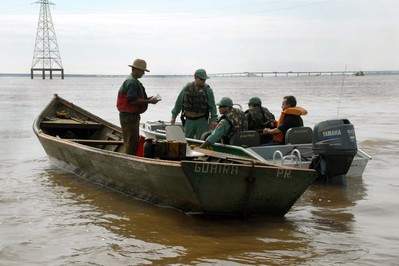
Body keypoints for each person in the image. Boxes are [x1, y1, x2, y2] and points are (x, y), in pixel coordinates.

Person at [116, 59, 160, 155]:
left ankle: (128, 157)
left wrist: (148, 99)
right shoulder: (132, 82)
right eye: (142, 71)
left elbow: (133, 98)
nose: (143, 73)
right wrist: (149, 101)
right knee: (131, 142)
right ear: (134, 69)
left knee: (130, 141)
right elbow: (132, 100)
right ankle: (129, 161)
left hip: (128, 116)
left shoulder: (132, 80)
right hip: (129, 117)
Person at [171, 69, 218, 139]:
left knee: (201, 140)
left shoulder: (208, 90)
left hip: (202, 121)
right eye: (201, 79)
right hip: (189, 121)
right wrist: (173, 117)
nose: (203, 81)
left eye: (204, 79)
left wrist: (213, 120)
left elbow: (212, 107)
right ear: (195, 77)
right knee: (187, 140)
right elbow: (179, 103)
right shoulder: (187, 88)